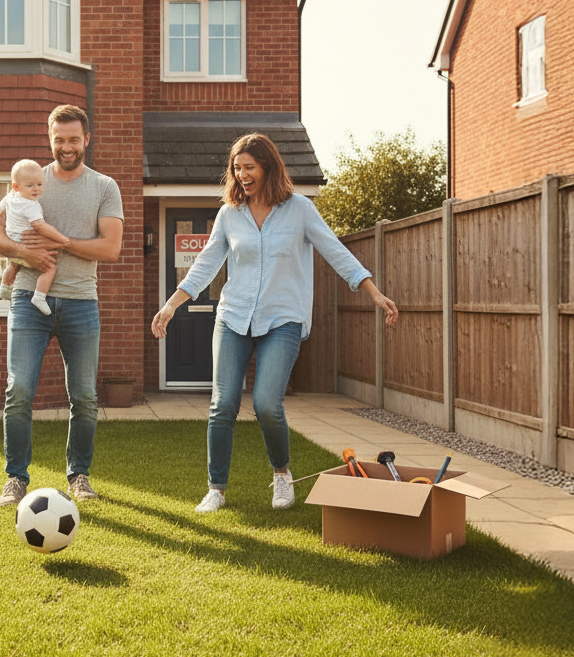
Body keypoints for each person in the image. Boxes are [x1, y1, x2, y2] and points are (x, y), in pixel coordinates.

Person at [151, 133, 398, 514]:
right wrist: (171, 305)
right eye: (237, 168)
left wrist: (372, 291)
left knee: (267, 403)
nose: (242, 174)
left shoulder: (298, 209)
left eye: (249, 167)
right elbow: (206, 263)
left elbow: (334, 249)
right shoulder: (229, 215)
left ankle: (281, 474)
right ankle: (216, 488)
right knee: (223, 404)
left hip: (283, 317)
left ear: (268, 167)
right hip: (233, 317)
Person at [0, 104, 123, 507]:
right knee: (19, 389)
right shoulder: (28, 180)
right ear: (50, 139)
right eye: (59, 140)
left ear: (86, 140)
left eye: (74, 139)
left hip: (81, 302)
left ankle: (79, 476)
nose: (66, 147)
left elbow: (110, 248)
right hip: (29, 299)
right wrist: (26, 254)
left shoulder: (104, 187)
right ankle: (15, 478)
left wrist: (59, 243)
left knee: (83, 395)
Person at [0, 158, 72, 316]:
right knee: (51, 267)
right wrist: (62, 239)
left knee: (14, 265)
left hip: (13, 240)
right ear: (16, 186)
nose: (36, 189)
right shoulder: (30, 205)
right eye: (30, 185)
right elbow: (40, 226)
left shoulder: (12, 197)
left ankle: (4, 287)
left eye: (39, 184)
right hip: (27, 244)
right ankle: (39, 296)